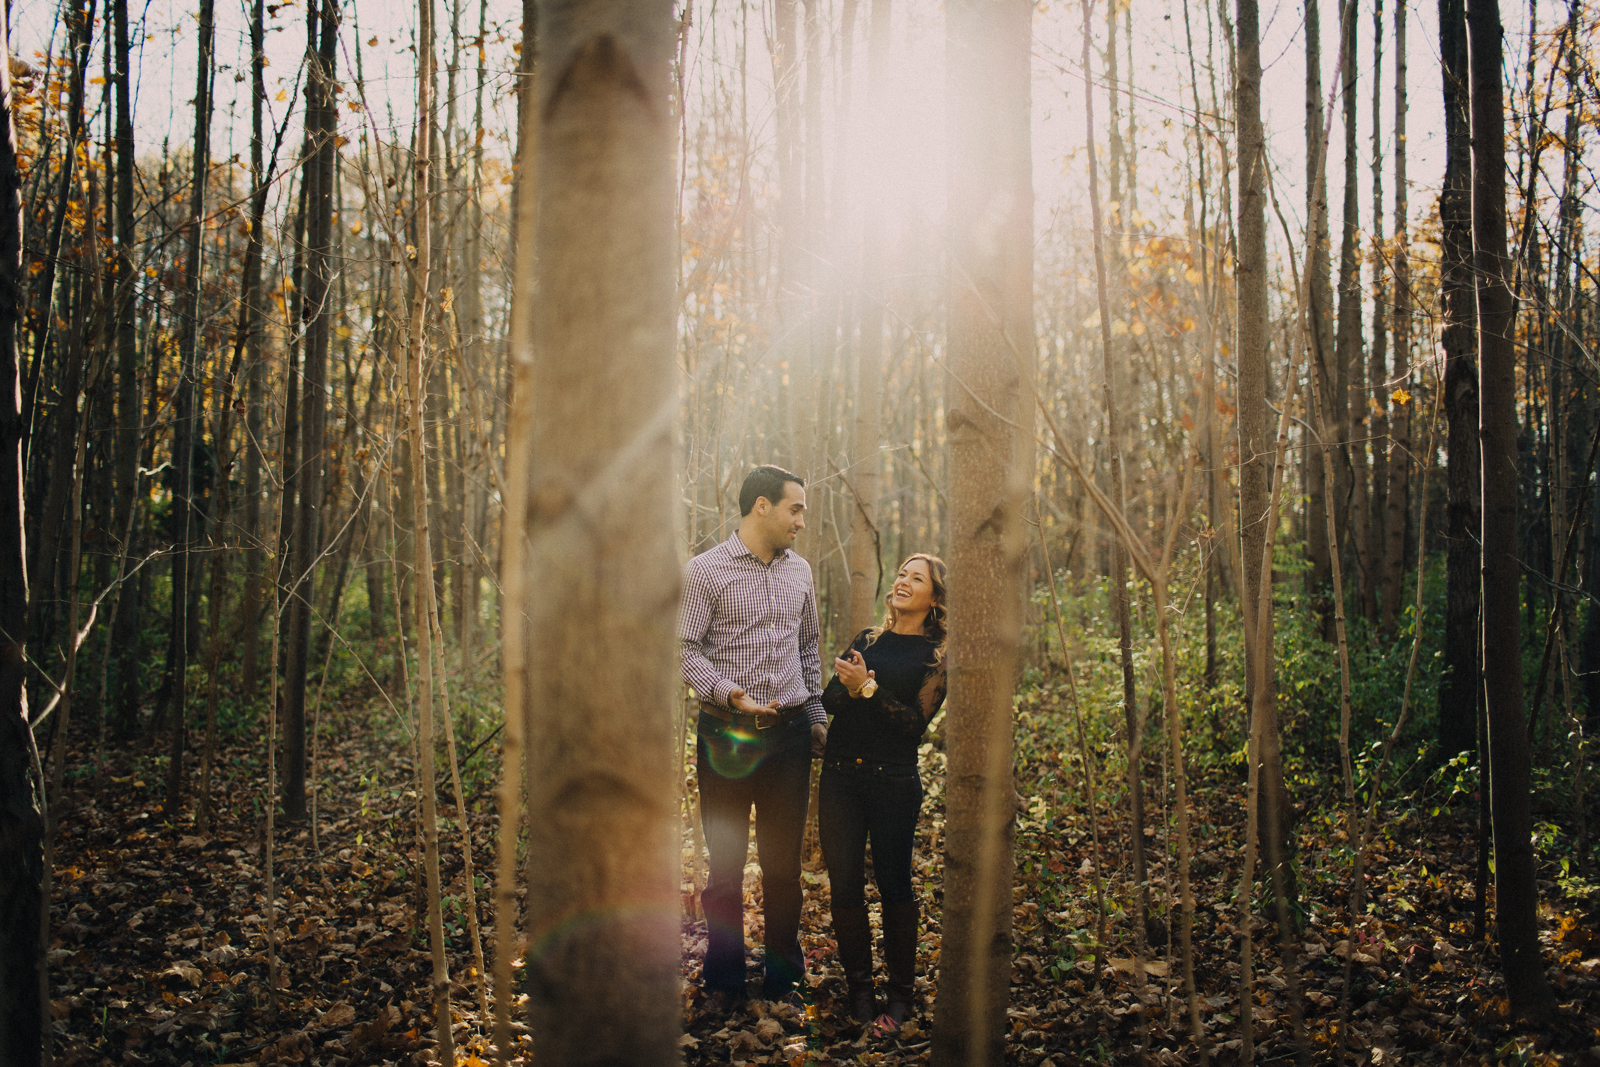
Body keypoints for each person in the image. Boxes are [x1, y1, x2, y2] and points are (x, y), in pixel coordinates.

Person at [679, 465, 829, 1012]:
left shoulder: (801, 572)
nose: (802, 521)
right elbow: (686, 649)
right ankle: (722, 981)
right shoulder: (706, 571)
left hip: (789, 737)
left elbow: (809, 649)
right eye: (796, 509)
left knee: (784, 867)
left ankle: (784, 980)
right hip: (726, 736)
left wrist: (815, 715)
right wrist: (727, 691)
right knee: (724, 865)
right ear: (761, 506)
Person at [820, 554, 948, 1030]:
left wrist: (868, 688)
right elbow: (832, 700)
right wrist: (850, 687)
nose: (902, 582)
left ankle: (899, 996)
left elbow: (913, 726)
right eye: (900, 574)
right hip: (839, 778)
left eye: (916, 579)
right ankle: (859, 991)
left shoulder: (936, 657)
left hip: (893, 781)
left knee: (894, 886)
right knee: (845, 885)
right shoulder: (868, 639)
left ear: (934, 597)